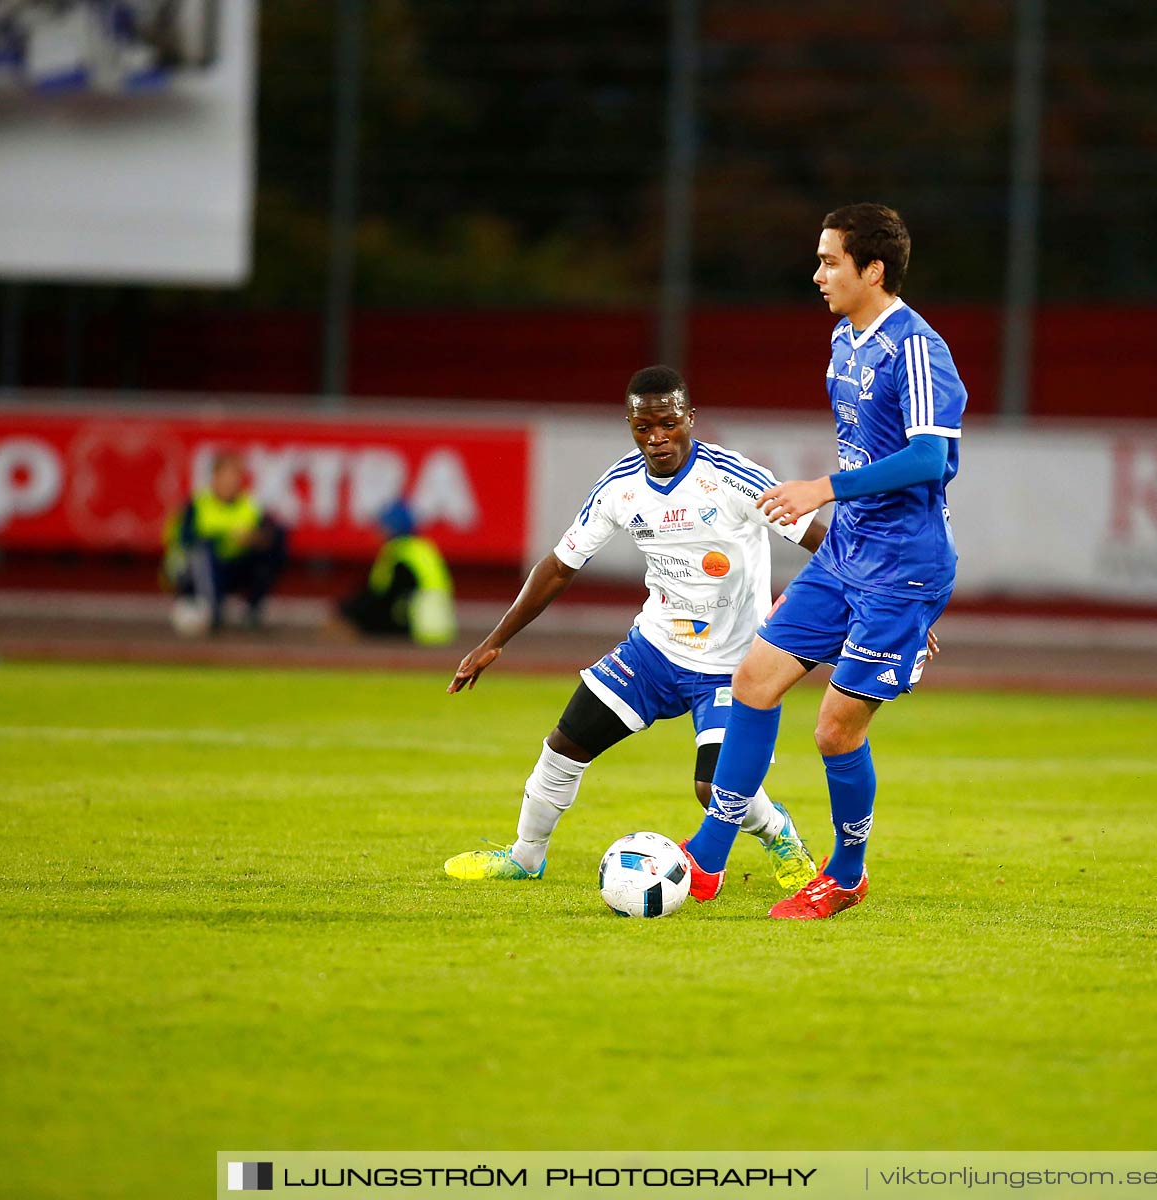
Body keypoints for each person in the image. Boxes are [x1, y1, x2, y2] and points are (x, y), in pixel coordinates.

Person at [678, 202, 966, 919]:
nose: (816, 275)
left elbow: (931, 458)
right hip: (846, 556)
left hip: (902, 567)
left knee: (835, 729)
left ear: (873, 269)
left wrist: (823, 489)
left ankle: (846, 871)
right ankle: (708, 858)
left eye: (829, 260)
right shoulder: (844, 341)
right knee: (753, 681)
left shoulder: (917, 348)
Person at [441, 365, 827, 888]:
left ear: (690, 418)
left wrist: (885, 612)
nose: (656, 438)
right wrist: (495, 641)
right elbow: (558, 567)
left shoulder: (735, 478)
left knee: (713, 789)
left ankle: (780, 834)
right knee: (563, 746)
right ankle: (524, 857)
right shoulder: (620, 488)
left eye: (668, 423)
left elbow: (827, 546)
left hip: (732, 667)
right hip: (653, 652)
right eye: (643, 427)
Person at [163, 449, 287, 635]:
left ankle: (251, 609)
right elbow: (185, 540)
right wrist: (225, 535)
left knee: (275, 549)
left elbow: (271, 534)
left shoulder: (250, 506)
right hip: (194, 571)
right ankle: (211, 610)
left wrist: (254, 538)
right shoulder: (198, 504)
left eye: (235, 476)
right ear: (214, 477)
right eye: (225, 475)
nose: (230, 481)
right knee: (202, 554)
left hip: (232, 567)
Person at [337, 499, 458, 646]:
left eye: (382, 526)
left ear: (392, 528)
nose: (377, 531)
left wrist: (347, 612)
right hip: (440, 628)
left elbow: (382, 595)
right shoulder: (422, 548)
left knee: (369, 617)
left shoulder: (399, 553)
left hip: (418, 629)